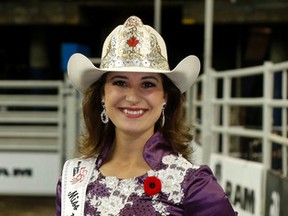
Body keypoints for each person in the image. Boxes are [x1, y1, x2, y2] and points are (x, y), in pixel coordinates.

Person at [56, 15, 237, 215]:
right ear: (102, 95)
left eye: (148, 84)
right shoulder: (74, 180)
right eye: (120, 82)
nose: (132, 97)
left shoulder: (194, 186)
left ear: (165, 97)